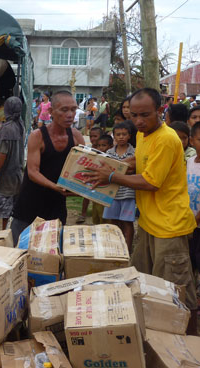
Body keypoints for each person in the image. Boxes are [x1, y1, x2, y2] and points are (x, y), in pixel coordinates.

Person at [87, 87, 198, 335]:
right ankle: (155, 335)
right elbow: (142, 160)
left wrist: (113, 175)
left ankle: (190, 344)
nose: (138, 120)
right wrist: (118, 164)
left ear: (160, 111)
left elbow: (151, 182)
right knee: (146, 283)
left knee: (178, 294)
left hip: (169, 228)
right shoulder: (143, 135)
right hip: (149, 224)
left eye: (145, 115)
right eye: (134, 115)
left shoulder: (167, 139)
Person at [11, 90, 85, 244]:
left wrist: (81, 188)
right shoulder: (37, 136)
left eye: (73, 109)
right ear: (51, 111)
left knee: (52, 251)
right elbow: (32, 172)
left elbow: (83, 168)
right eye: (64, 110)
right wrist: (56, 186)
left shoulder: (76, 136)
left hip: (56, 204)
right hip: (30, 202)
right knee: (20, 250)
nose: (70, 114)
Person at [0, 96, 25, 230]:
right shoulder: (20, 125)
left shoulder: (7, 128)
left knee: (5, 208)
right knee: (13, 206)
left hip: (7, 174)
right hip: (17, 172)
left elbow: (3, 152)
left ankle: (5, 233)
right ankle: (12, 232)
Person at [102, 122, 136, 252]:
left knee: (127, 222)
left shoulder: (134, 152)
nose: (121, 137)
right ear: (114, 136)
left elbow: (132, 171)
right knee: (113, 221)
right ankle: (115, 248)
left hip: (128, 193)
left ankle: (127, 250)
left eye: (124, 134)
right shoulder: (109, 153)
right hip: (112, 193)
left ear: (129, 136)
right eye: (118, 134)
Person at [76, 126, 103, 224]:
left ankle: (100, 217)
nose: (92, 139)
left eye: (95, 136)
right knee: (86, 195)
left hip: (101, 177)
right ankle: (83, 214)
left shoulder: (105, 148)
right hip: (90, 175)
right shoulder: (90, 149)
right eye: (91, 136)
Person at [187, 123, 200, 280]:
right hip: (190, 222)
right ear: (191, 141)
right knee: (191, 256)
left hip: (196, 222)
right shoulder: (190, 162)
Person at [91, 134, 113, 225]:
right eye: (99, 145)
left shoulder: (111, 158)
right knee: (95, 213)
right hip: (96, 191)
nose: (101, 148)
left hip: (105, 192)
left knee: (104, 215)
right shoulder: (97, 157)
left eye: (104, 145)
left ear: (110, 146)